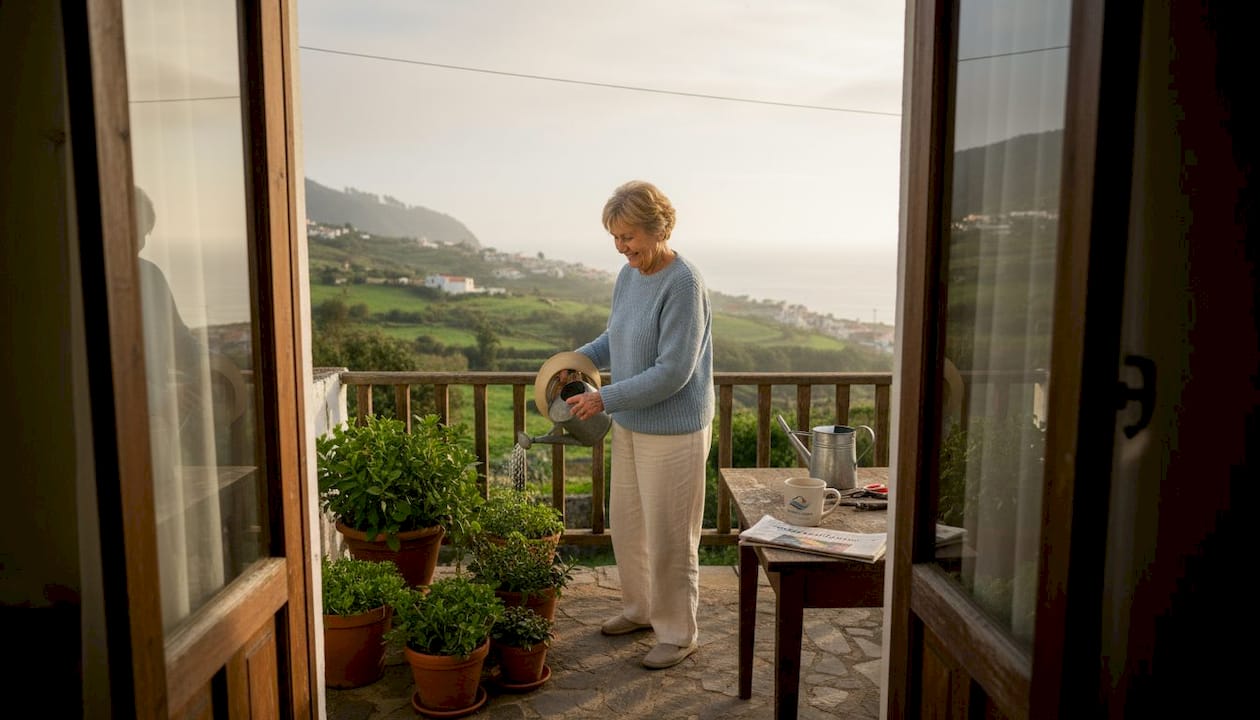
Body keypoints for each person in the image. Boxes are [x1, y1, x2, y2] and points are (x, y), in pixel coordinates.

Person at [563, 180, 714, 669]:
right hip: (629, 423)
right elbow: (616, 334)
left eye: (628, 236)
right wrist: (576, 360)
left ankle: (677, 632)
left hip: (674, 430)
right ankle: (640, 610)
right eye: (615, 238)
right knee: (628, 525)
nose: (621, 247)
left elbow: (674, 371)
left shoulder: (684, 282)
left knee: (671, 535)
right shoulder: (629, 277)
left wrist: (603, 397)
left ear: (658, 228)